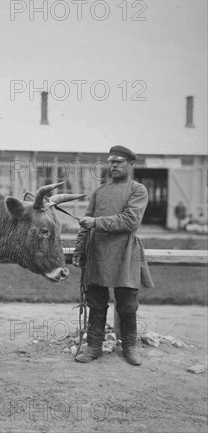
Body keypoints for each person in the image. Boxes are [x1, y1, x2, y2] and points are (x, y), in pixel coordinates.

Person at [73, 145, 154, 366]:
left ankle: (129, 347)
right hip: (98, 253)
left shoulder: (138, 190)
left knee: (127, 304)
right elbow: (85, 224)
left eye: (118, 162)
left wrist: (96, 223)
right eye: (111, 162)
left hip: (125, 253)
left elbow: (130, 221)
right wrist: (80, 250)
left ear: (130, 164)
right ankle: (94, 346)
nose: (113, 166)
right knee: (96, 302)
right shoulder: (100, 191)